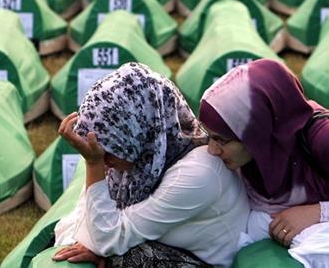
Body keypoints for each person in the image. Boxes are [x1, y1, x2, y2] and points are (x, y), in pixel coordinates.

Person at [52, 62, 250, 268]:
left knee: (129, 260)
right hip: (170, 248)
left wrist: (93, 164)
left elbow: (105, 240)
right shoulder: (146, 158)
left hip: (210, 263)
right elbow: (87, 226)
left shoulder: (198, 174)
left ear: (136, 132)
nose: (104, 160)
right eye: (97, 151)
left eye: (110, 149)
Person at [199, 58, 329, 266]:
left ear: (256, 130)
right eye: (209, 136)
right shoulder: (257, 154)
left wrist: (318, 212)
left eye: (221, 140)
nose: (212, 149)